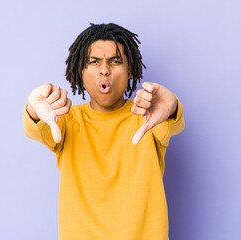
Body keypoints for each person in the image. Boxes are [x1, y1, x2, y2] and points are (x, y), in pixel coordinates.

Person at [23, 23, 185, 240]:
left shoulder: (148, 116)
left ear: (130, 71)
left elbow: (174, 122)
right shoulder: (65, 119)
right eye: (94, 62)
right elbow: (35, 128)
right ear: (81, 70)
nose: (104, 69)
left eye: (115, 61)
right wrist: (33, 108)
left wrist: (172, 106)